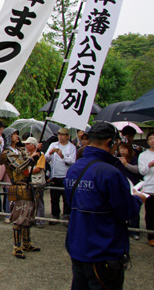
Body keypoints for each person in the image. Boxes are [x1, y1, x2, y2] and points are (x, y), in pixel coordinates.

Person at [65, 122, 144, 289]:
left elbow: (70, 202)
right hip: (102, 250)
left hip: (77, 246)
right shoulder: (109, 173)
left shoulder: (74, 169)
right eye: (116, 144)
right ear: (110, 142)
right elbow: (126, 211)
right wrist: (138, 199)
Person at [0, 128, 40, 259]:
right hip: (17, 186)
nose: (17, 136)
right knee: (19, 217)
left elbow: (27, 162)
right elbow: (18, 168)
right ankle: (17, 246)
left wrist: (34, 154)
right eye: (14, 134)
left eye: (17, 134)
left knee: (28, 216)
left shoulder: (20, 151)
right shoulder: (7, 153)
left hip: (27, 185)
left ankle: (27, 242)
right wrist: (31, 159)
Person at [45, 127, 76, 224]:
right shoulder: (53, 145)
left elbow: (72, 161)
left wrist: (62, 156)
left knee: (66, 197)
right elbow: (46, 158)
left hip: (66, 175)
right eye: (59, 134)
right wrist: (50, 153)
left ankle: (66, 215)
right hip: (54, 175)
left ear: (67, 136)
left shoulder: (71, 147)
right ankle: (55, 215)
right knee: (54, 197)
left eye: (62, 135)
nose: (60, 136)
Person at [24, 137, 47, 228]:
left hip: (37, 181)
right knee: (29, 201)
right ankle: (30, 218)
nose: (25, 146)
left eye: (27, 144)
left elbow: (38, 168)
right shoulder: (26, 155)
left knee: (39, 201)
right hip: (29, 181)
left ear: (33, 145)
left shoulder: (41, 155)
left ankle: (40, 220)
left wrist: (27, 172)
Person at [138, 131, 154, 247]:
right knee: (150, 214)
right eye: (151, 139)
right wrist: (149, 165)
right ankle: (151, 236)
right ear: (147, 141)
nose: (153, 141)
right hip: (149, 188)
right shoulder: (143, 155)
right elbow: (141, 171)